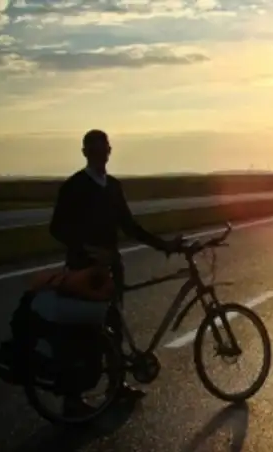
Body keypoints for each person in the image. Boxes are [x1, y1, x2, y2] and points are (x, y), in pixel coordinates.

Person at [48, 129, 179, 415]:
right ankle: (72, 400)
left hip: (111, 269)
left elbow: (130, 227)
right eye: (94, 150)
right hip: (85, 271)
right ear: (85, 153)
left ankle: (116, 386)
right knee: (83, 333)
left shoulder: (113, 186)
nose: (100, 155)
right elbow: (57, 228)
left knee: (114, 328)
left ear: (109, 151)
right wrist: (86, 249)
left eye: (103, 149)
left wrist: (164, 245)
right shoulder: (74, 186)